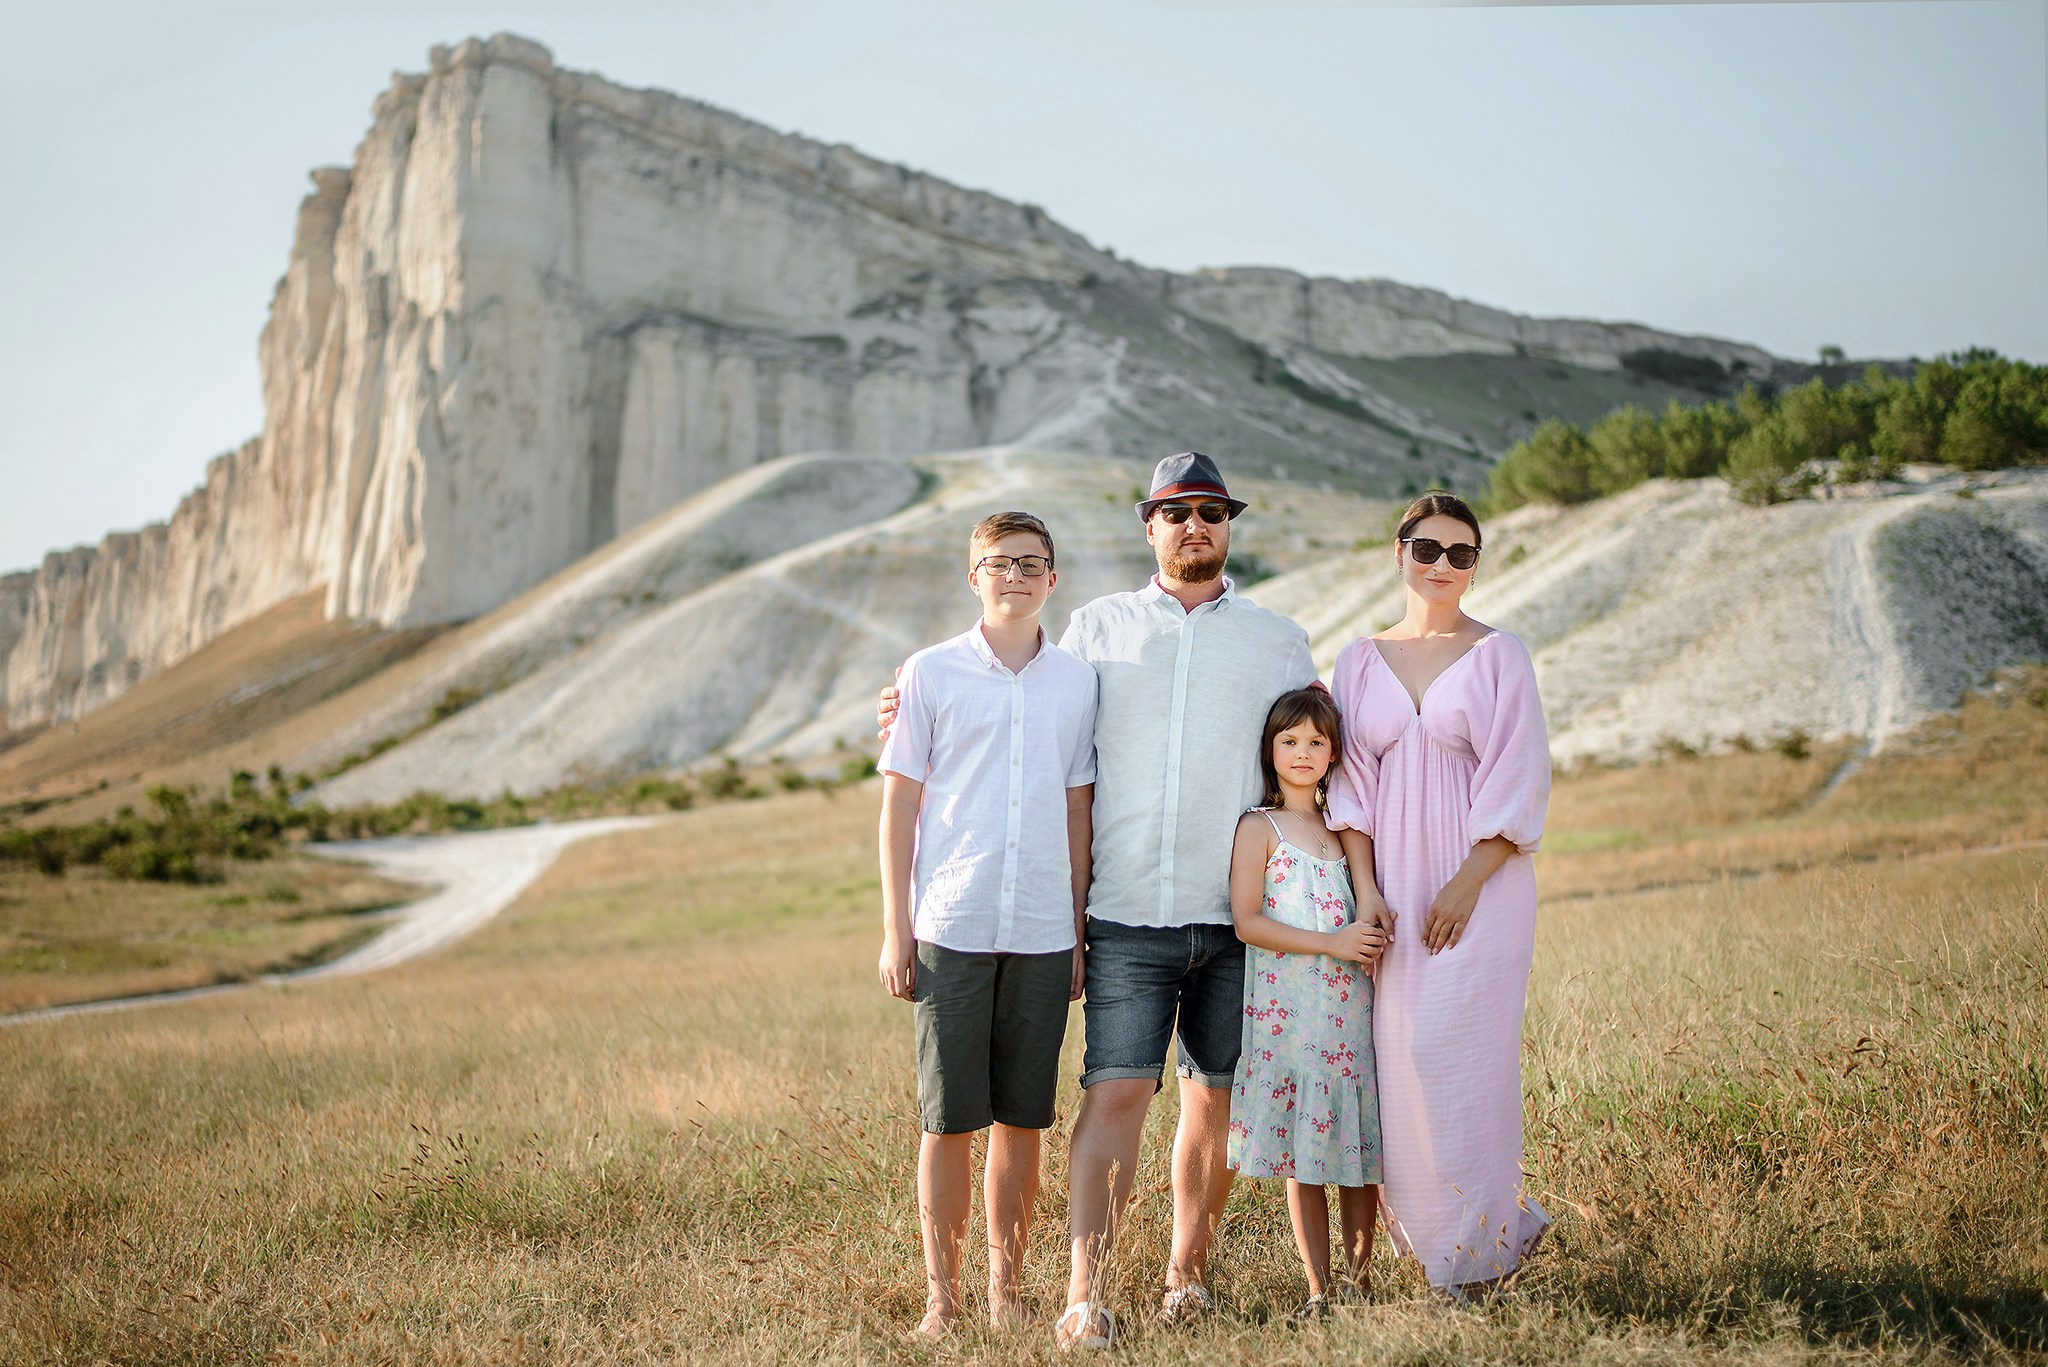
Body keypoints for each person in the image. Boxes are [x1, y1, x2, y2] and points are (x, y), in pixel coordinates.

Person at [879, 452, 1366, 1350]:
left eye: (1211, 511)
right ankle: (1083, 1293)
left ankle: (1188, 1277)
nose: (1195, 525)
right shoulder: (1096, 629)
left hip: (1237, 916)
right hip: (1125, 912)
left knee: (1213, 1102)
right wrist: (905, 703)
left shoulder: (1277, 638)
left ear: (1228, 526)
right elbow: (1024, 702)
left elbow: (1328, 743)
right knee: (1115, 1098)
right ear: (1150, 526)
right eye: (1176, 511)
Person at [1323, 490, 1552, 1301]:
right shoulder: (1356, 660)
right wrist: (1366, 889)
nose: (1444, 567)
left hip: (1480, 891)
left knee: (1467, 1063)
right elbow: (1347, 784)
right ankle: (1445, 1248)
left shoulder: (1500, 654)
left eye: (1462, 553)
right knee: (1404, 1063)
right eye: (1429, 550)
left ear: (1477, 563)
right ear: (1400, 553)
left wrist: (1464, 883)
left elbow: (1518, 779)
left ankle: (1481, 1254)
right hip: (1390, 896)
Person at [876, 510, 1099, 1336]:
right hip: (952, 924)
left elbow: (1079, 808)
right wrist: (896, 930)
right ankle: (943, 1298)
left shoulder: (1077, 682)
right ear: (973, 577)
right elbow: (899, 806)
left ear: (1053, 577)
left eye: (1031, 562)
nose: (1015, 575)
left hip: (1044, 928)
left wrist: (1077, 929)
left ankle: (1006, 1292)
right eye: (998, 563)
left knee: (1023, 1118)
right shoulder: (929, 674)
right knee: (946, 1120)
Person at [1226, 687, 1384, 1321]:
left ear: (1333, 752)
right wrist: (1331, 943)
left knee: (1357, 1152)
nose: (1303, 752)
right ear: (1270, 749)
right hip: (1290, 1017)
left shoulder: (1343, 828)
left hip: (1351, 1012)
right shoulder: (1258, 827)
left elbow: (1367, 901)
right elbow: (1245, 921)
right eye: (1290, 740)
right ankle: (1319, 1293)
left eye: (1317, 741)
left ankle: (1362, 1284)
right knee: (1309, 1155)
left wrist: (1363, 936)